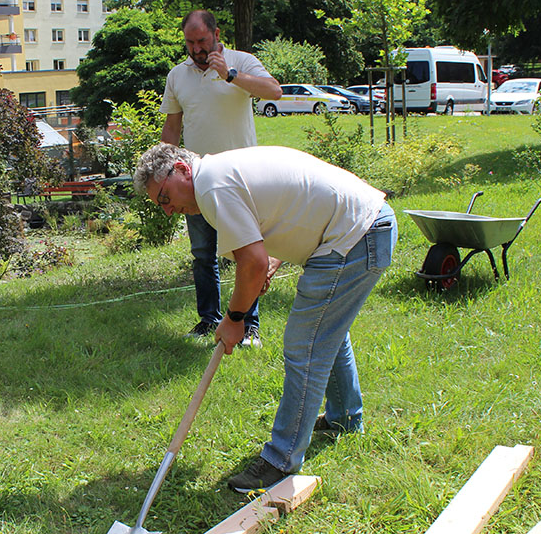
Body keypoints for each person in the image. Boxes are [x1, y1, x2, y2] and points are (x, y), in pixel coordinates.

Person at [134, 143, 397, 493]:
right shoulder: (220, 171)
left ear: (181, 169)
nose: (168, 211)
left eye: (165, 198)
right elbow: (282, 215)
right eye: (160, 206)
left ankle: (281, 460)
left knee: (305, 344)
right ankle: (345, 418)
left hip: (356, 235)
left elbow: (252, 262)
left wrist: (234, 317)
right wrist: (271, 262)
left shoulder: (212, 186)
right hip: (365, 225)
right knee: (326, 331)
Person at [160, 9, 282, 346]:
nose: (196, 49)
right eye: (190, 42)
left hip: (242, 181)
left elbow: (274, 91)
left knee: (248, 253)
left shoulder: (241, 61)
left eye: (201, 41)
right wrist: (162, 172)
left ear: (216, 34)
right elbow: (172, 127)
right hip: (195, 183)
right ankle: (209, 319)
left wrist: (230, 75)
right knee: (203, 254)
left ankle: (249, 326)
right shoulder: (177, 76)